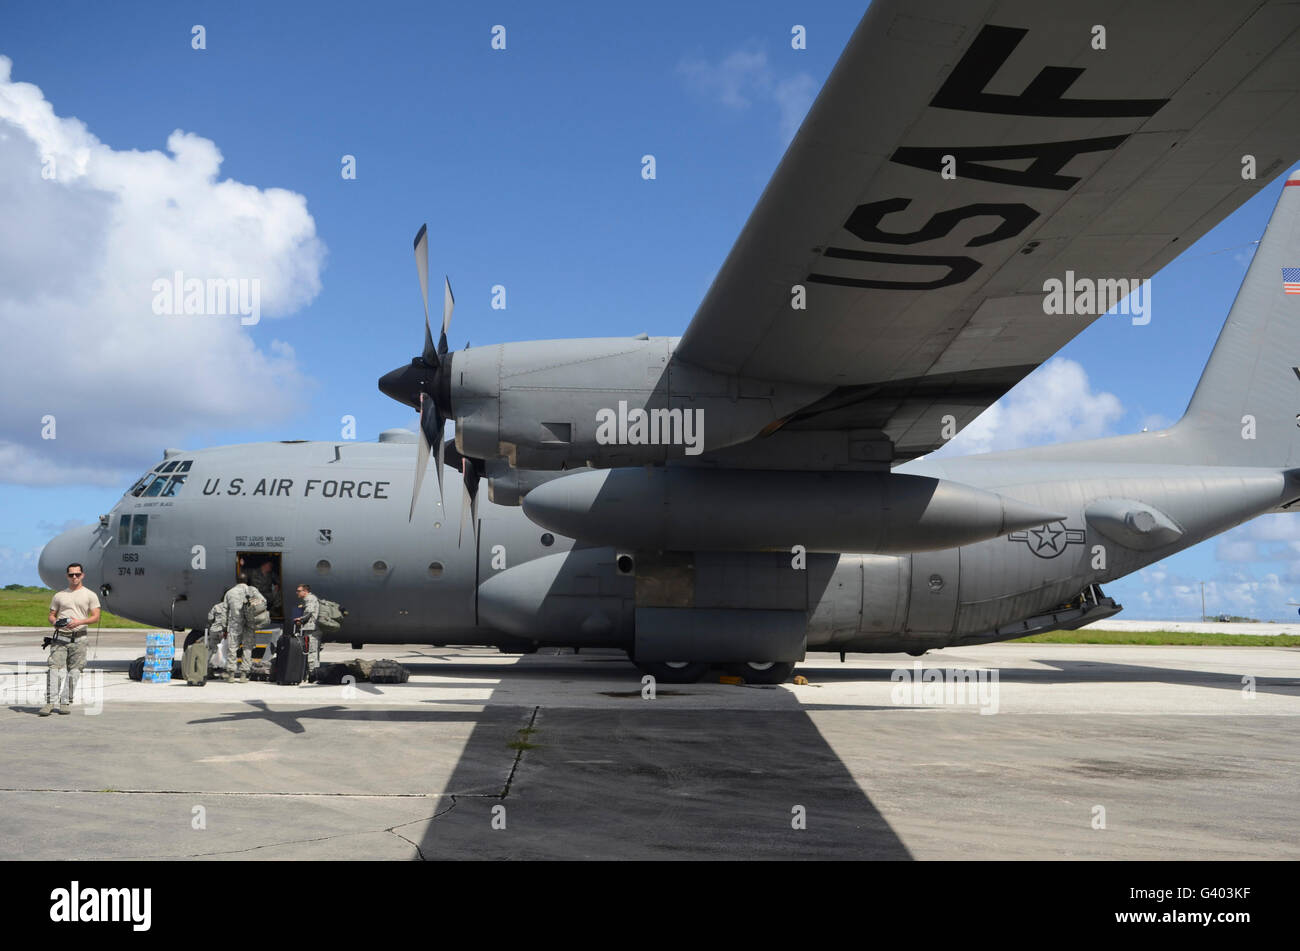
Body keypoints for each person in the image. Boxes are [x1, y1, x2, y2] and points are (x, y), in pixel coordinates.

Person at [41, 563, 100, 716]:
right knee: (54, 669)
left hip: (79, 638)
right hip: (60, 637)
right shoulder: (59, 595)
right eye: (71, 574)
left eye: (77, 574)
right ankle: (49, 702)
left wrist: (79, 622)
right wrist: (54, 622)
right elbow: (51, 615)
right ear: (67, 576)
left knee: (74, 671)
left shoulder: (90, 595)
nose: (74, 577)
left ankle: (65, 701)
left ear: (83, 575)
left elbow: (96, 617)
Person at [222, 574, 259, 683]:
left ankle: (231, 675)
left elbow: (224, 611)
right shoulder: (253, 591)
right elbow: (262, 603)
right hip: (249, 624)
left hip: (235, 624)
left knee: (232, 648)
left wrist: (224, 627)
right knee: (247, 647)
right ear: (247, 580)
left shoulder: (230, 593)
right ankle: (243, 675)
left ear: (237, 581)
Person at [295, 584, 320, 679]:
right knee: (313, 650)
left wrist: (300, 620)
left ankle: (312, 674)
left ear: (305, 591)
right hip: (312, 628)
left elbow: (309, 612)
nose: (297, 592)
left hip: (311, 628)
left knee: (311, 651)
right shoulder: (311, 598)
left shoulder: (309, 598)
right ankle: (315, 673)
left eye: (299, 590)